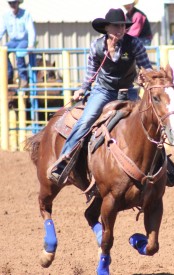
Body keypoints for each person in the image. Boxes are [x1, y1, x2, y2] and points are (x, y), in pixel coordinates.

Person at [48, 8, 153, 185]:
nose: (120, 29)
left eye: (122, 26)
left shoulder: (134, 44)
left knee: (148, 121)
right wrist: (83, 88)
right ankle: (64, 160)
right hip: (104, 91)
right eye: (115, 26)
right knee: (86, 120)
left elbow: (146, 67)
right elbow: (91, 72)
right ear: (107, 28)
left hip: (128, 90)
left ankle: (165, 166)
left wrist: (147, 78)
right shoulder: (97, 46)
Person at [0, 0, 36, 87]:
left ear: (18, 3)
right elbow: (1, 30)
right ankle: (9, 74)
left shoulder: (25, 14)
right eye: (10, 3)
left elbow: (31, 30)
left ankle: (23, 78)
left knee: (19, 52)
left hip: (23, 40)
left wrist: (31, 44)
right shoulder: (6, 16)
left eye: (14, 2)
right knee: (3, 51)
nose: (12, 5)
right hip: (13, 41)